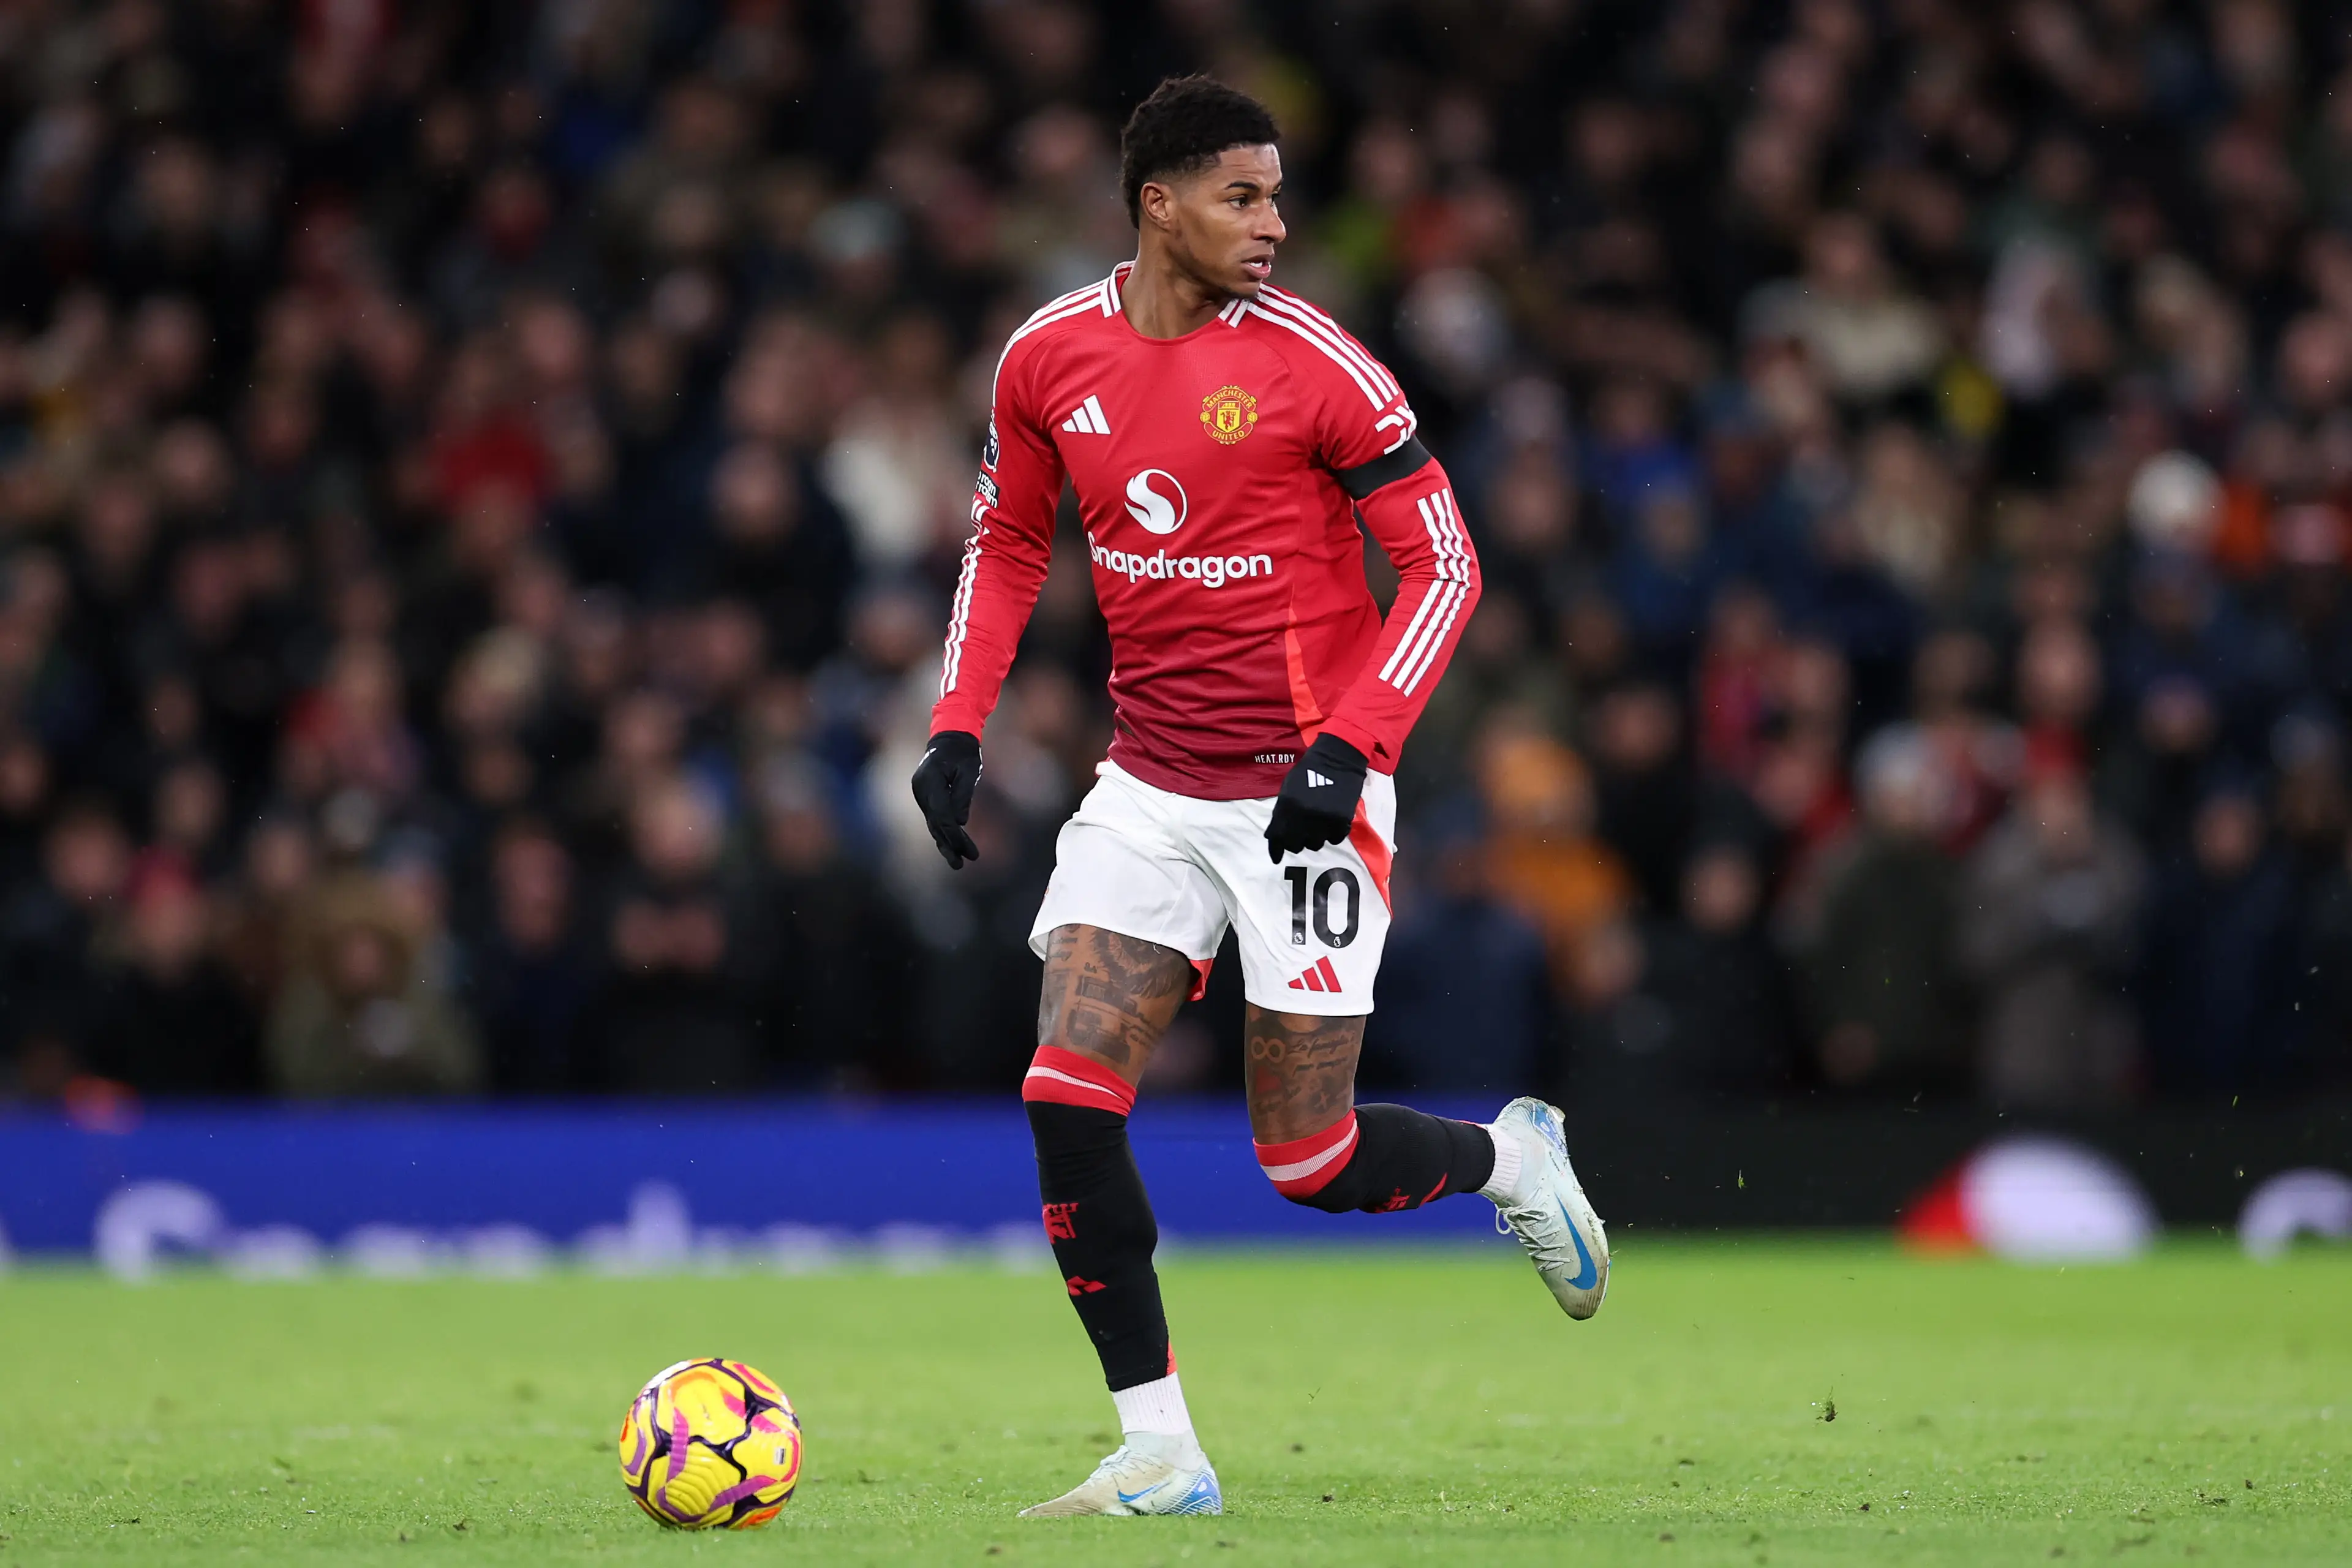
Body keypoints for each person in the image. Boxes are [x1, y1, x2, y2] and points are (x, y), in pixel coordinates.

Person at [908, 78, 1608, 1520]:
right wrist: (957, 726)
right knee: (1065, 1092)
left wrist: (1350, 745)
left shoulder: (1317, 364)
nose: (1276, 224)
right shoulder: (1047, 358)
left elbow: (1448, 565)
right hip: (1150, 786)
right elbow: (1005, 544)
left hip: (1305, 796)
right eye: (1245, 195)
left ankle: (1508, 1155)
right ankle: (1160, 1446)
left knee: (1311, 1156)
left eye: (1280, 194)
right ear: (1157, 202)